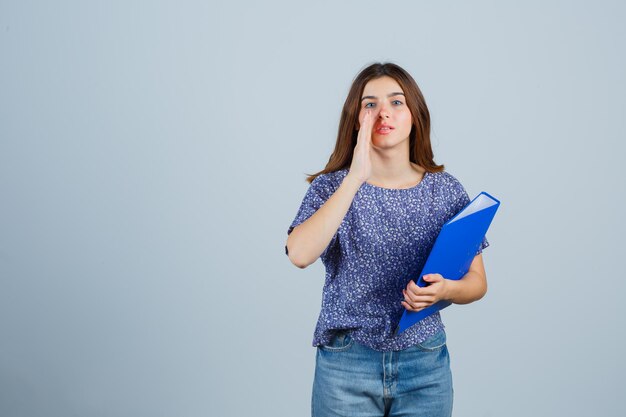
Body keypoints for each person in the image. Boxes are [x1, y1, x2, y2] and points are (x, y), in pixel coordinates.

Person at [285, 62, 490, 417]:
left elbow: (477, 283)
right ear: (356, 119)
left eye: (396, 102)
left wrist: (444, 291)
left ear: (415, 114)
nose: (384, 113)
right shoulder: (332, 187)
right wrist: (355, 178)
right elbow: (299, 254)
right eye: (370, 104)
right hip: (346, 365)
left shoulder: (445, 191)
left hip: (424, 363)